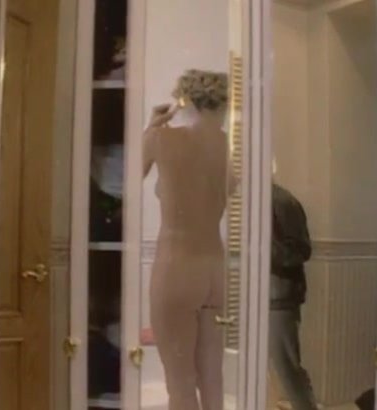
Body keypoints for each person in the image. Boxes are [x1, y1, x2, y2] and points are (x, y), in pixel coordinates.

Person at [143, 69, 233, 410]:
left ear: (185, 101)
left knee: (180, 385)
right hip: (214, 270)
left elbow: (122, 183)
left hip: (176, 267)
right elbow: (228, 188)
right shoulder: (228, 146)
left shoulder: (163, 138)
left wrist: (150, 129)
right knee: (212, 380)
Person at [269, 183, 318, 410]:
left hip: (279, 297)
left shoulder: (282, 201)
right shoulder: (257, 200)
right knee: (269, 367)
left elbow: (301, 250)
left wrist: (263, 247)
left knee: (286, 366)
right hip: (262, 295)